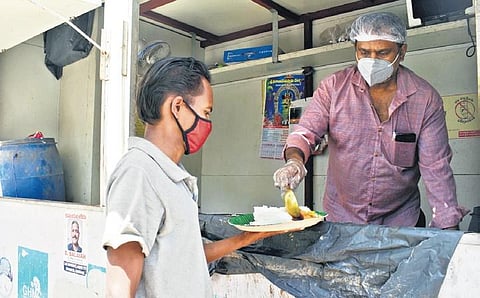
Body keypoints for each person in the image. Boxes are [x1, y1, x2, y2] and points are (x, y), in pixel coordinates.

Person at [102, 57, 289, 297]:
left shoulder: (171, 175)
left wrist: (246, 238)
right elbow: (120, 283)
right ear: (177, 107)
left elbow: (185, 257)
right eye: (206, 112)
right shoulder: (138, 172)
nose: (208, 123)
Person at [273, 12, 469, 230]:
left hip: (401, 222)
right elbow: (304, 133)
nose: (372, 61)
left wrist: (447, 230)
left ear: (401, 52)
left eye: (383, 52)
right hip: (341, 220)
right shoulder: (334, 88)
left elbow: (436, 169)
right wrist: (295, 162)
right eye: (364, 52)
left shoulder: (425, 99)